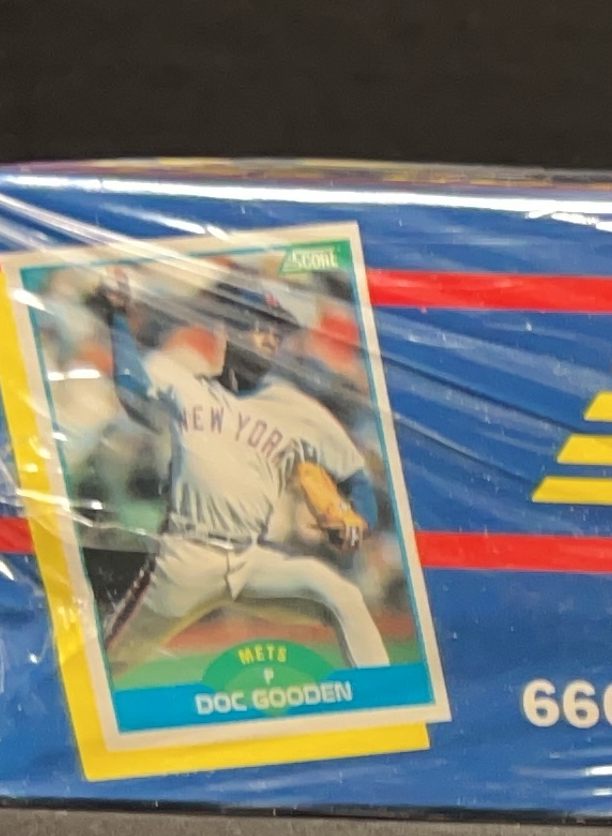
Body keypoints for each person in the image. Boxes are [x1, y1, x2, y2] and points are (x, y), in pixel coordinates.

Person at [55, 270, 396, 672]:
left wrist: (359, 518)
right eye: (259, 328)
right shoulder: (186, 384)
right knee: (104, 664)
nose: (270, 338)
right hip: (185, 559)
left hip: (251, 559)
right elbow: (132, 392)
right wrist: (118, 321)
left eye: (277, 332)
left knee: (341, 595)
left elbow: (356, 476)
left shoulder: (296, 408)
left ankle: (385, 696)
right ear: (231, 331)